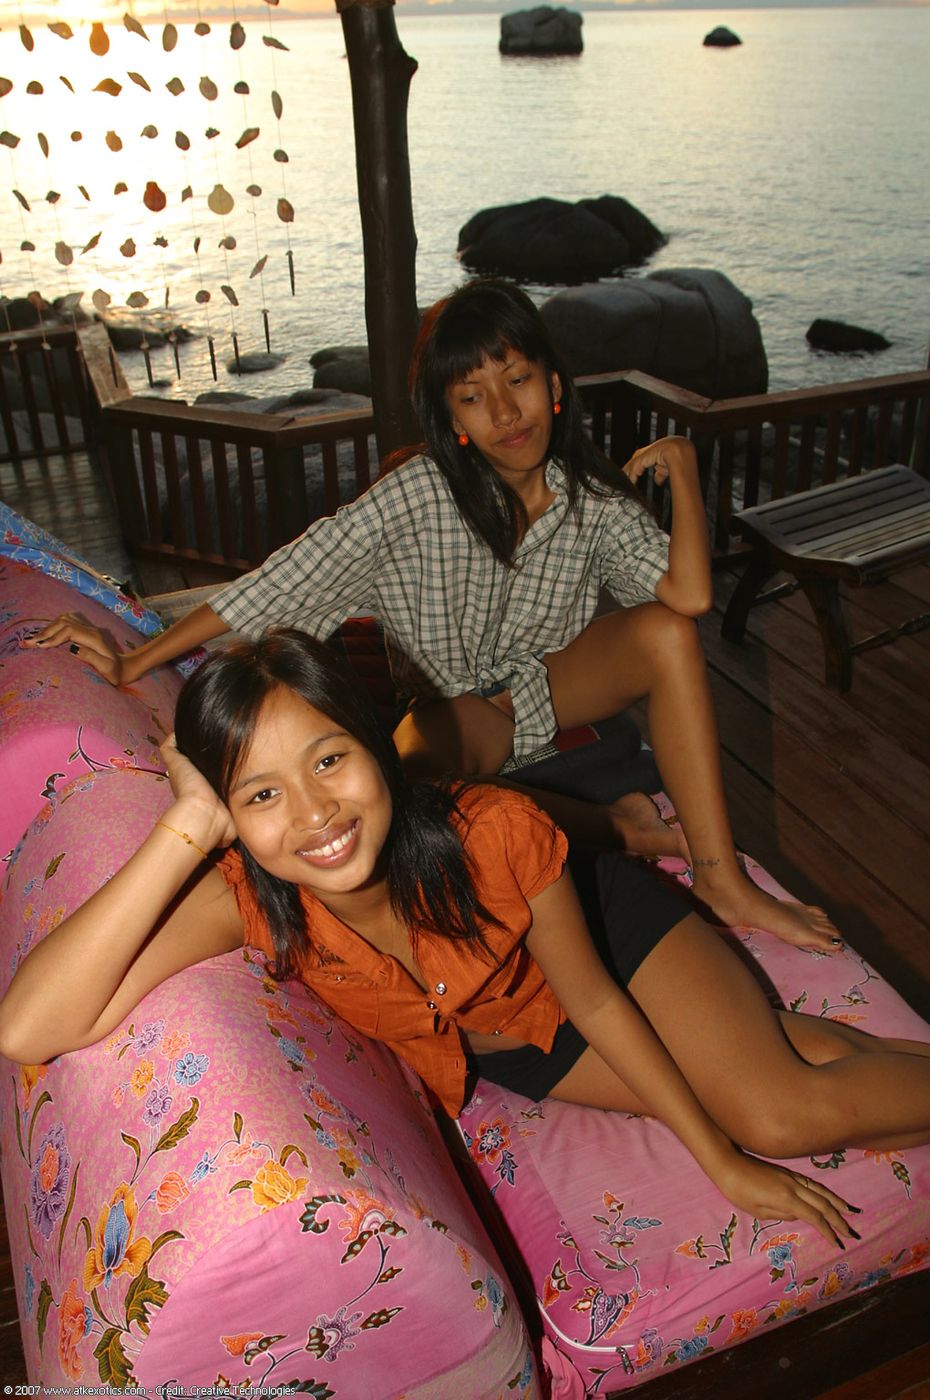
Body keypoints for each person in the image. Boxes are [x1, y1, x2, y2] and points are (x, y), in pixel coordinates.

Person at [4, 629, 930, 1247]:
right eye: (263, 793)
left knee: (772, 1120)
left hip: (610, 948)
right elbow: (28, 1026)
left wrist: (721, 1165)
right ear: (230, 814)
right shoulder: (250, 893)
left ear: (374, 748)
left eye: (330, 759)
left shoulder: (491, 829)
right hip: (520, 1047)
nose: (316, 813)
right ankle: (807, 1056)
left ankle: (778, 1072)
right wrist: (186, 825)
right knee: (768, 1079)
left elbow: (594, 999)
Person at [26, 279, 836, 950]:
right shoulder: (418, 497)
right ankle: (620, 826)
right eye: (473, 397)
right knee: (401, 788)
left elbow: (687, 599)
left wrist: (684, 473)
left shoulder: (591, 499)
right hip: (458, 711)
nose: (505, 412)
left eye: (518, 380)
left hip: (550, 689)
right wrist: (134, 659)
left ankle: (722, 880)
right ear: (454, 421)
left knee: (664, 633)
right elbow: (281, 579)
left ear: (555, 386)